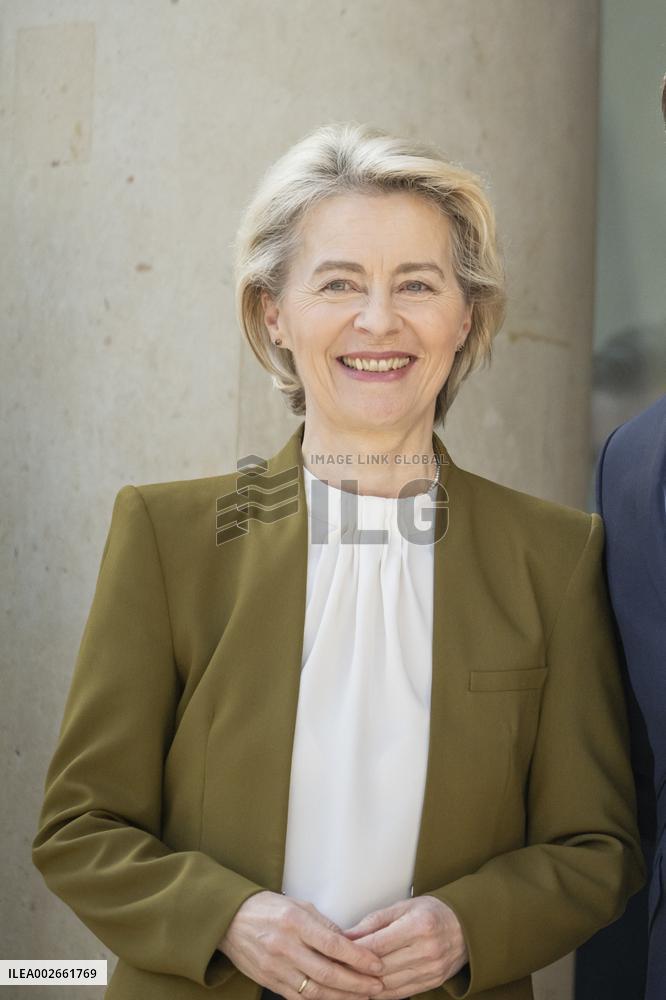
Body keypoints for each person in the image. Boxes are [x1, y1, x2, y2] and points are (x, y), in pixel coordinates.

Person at [32, 122, 645, 1000]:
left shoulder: (554, 556)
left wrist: (468, 926)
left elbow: (599, 847)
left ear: (465, 314)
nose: (379, 319)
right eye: (339, 283)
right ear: (273, 312)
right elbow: (81, 830)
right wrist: (230, 919)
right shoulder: (167, 539)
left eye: (417, 284)